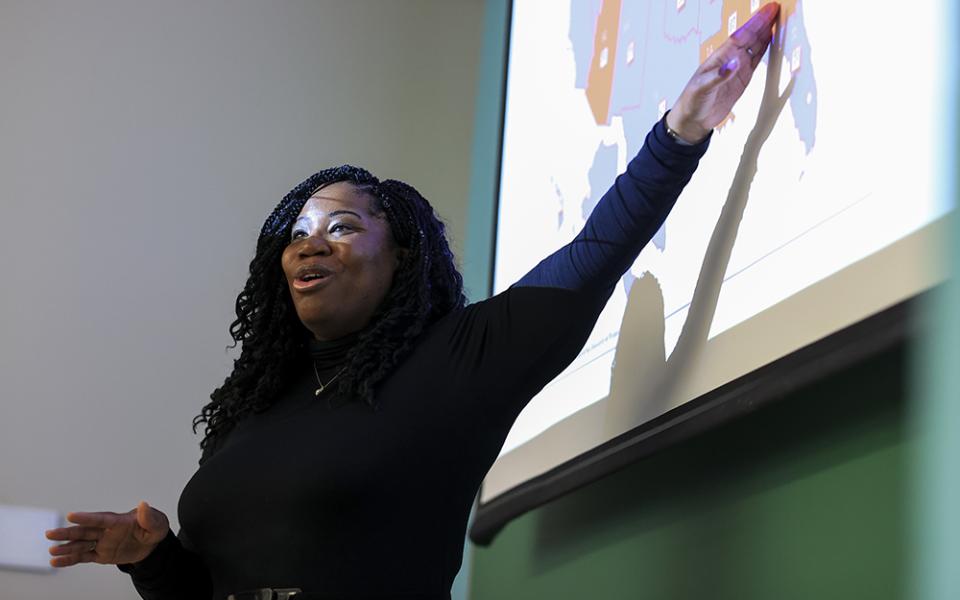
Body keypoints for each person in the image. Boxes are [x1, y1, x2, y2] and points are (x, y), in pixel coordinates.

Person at [44, 5, 782, 599]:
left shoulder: (459, 363)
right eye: (298, 235)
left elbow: (591, 256)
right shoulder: (257, 405)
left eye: (341, 227)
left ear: (400, 254)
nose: (310, 245)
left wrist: (681, 130)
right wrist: (154, 560)